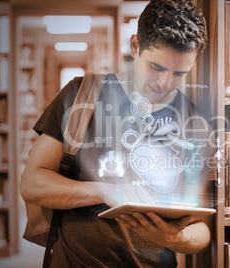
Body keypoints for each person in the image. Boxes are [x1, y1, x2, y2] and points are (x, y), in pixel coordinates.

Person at [20, 0, 215, 266]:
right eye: (156, 67)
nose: (164, 83)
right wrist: (104, 191)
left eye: (179, 73)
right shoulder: (81, 95)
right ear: (135, 46)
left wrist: (175, 237)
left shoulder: (196, 124)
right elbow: (32, 184)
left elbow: (202, 230)